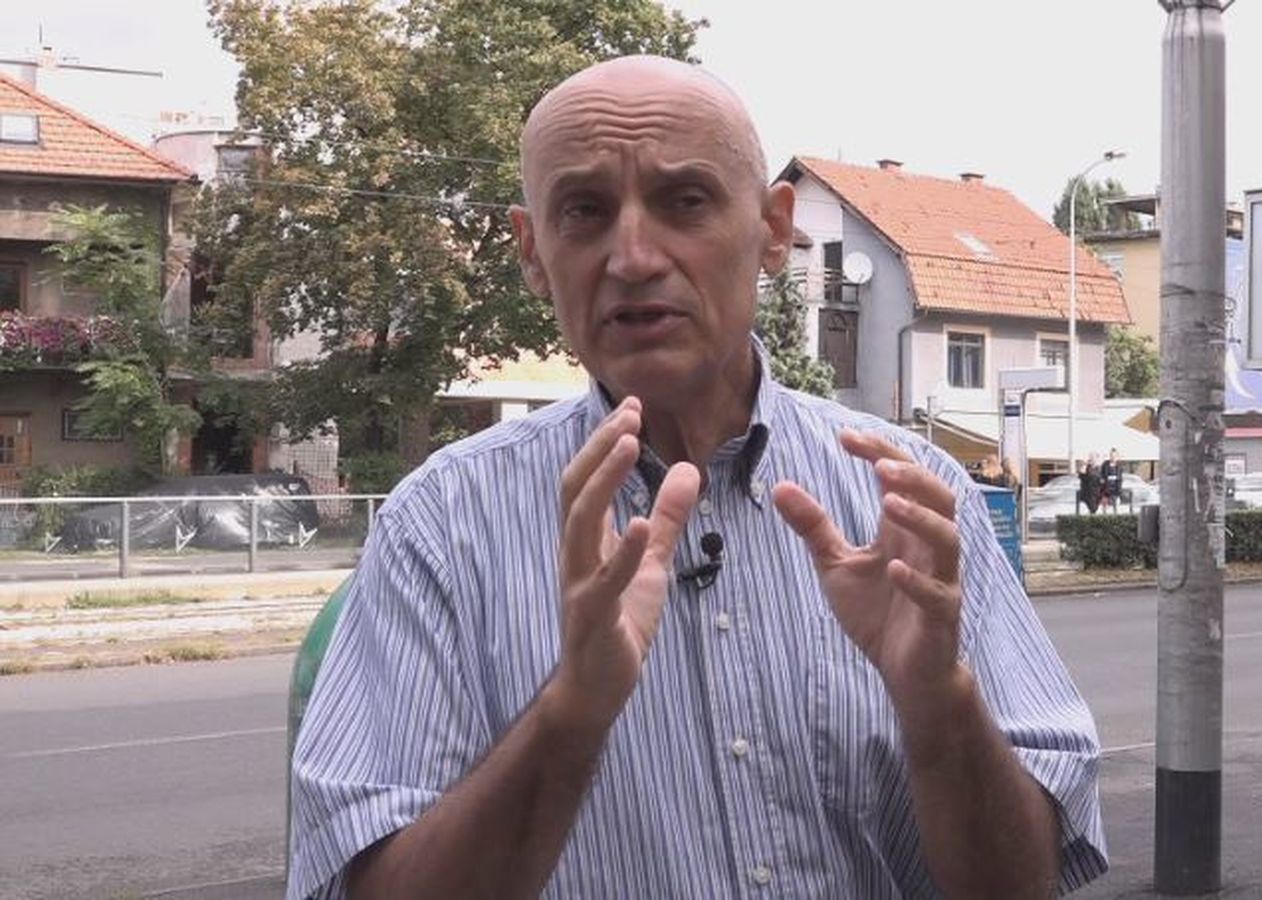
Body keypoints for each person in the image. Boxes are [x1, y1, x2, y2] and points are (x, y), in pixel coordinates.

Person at [288, 56, 1105, 900]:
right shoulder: (441, 524)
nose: (633, 256)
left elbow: (1023, 884)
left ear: (775, 231)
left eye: (685, 201)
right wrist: (572, 712)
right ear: (533, 253)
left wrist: (939, 704)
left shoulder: (909, 497)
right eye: (584, 211)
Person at [1099, 448, 1124, 512]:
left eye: (1114, 456)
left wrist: (1119, 489)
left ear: (1117, 457)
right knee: (1105, 508)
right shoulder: (1105, 465)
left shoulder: (1119, 466)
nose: (1113, 457)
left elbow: (1120, 478)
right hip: (1106, 490)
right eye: (1111, 456)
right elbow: (1101, 475)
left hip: (1115, 490)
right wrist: (1102, 481)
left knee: (1115, 508)